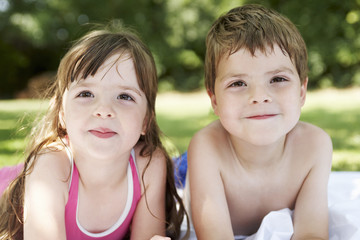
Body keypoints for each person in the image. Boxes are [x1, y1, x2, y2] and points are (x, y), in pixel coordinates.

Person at [0, 25, 187, 240]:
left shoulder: (149, 164)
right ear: (61, 112)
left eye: (125, 96)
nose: (104, 110)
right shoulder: (51, 164)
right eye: (86, 93)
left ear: (146, 120)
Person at [187, 4, 333, 240]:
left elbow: (312, 233)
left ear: (302, 92)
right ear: (214, 99)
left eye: (277, 79)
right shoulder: (207, 147)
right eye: (238, 83)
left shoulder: (315, 146)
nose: (259, 96)